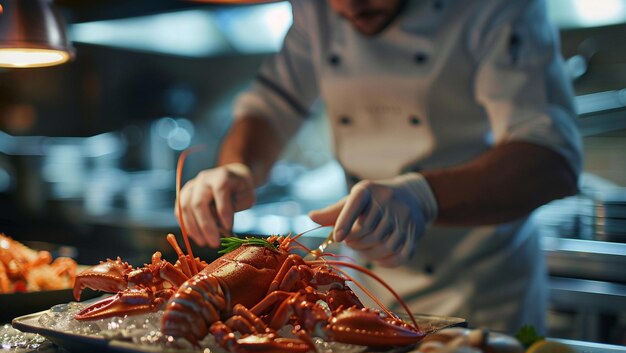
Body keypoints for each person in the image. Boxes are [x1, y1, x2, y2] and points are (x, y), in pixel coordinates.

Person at [177, 0, 582, 335]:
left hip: (479, 294)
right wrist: (238, 168)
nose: (349, 5)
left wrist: (423, 197)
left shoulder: (496, 8)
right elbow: (272, 104)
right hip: (365, 292)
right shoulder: (321, 10)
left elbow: (552, 158)